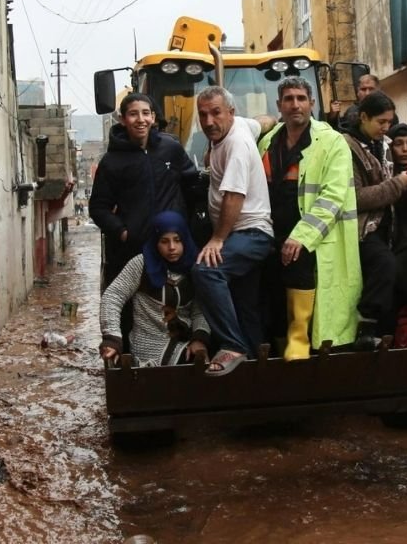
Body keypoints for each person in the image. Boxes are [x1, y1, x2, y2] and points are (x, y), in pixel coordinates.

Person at [259, 76, 363, 361]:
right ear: (279, 105)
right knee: (271, 288)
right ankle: (279, 346)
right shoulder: (269, 141)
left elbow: (333, 196)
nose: (295, 105)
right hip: (273, 230)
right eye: (289, 99)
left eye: (301, 98)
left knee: (297, 266)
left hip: (315, 235)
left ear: (312, 103)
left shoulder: (332, 142)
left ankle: (298, 346)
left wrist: (301, 236)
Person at [191, 87, 276, 376]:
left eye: (216, 113)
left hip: (251, 233)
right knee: (244, 305)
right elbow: (264, 122)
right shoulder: (242, 126)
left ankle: (232, 346)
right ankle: (255, 367)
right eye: (203, 115)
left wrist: (217, 239)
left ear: (231, 112)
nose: (209, 121)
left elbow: (233, 197)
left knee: (206, 270)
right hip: (243, 234)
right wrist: (270, 121)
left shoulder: (237, 144)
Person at [90, 93, 199, 290]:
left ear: (153, 118)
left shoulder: (171, 149)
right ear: (123, 120)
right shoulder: (111, 162)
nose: (140, 120)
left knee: (180, 304)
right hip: (133, 251)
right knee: (133, 308)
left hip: (171, 248)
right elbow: (98, 208)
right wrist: (123, 233)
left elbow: (192, 186)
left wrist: (185, 224)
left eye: (145, 113)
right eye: (133, 114)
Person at [343, 92, 407, 348]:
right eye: (381, 122)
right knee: (384, 264)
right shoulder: (346, 147)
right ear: (363, 117)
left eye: (389, 122)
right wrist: (399, 184)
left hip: (388, 229)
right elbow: (354, 197)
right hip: (362, 230)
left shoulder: (383, 144)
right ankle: (366, 327)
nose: (386, 128)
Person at [98, 211, 211, 367]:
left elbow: (200, 309)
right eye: (164, 241)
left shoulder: (196, 267)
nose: (172, 247)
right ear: (155, 242)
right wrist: (112, 339)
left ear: (185, 240)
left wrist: (199, 340)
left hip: (183, 346)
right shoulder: (141, 265)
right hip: (145, 349)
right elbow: (112, 297)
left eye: (177, 240)